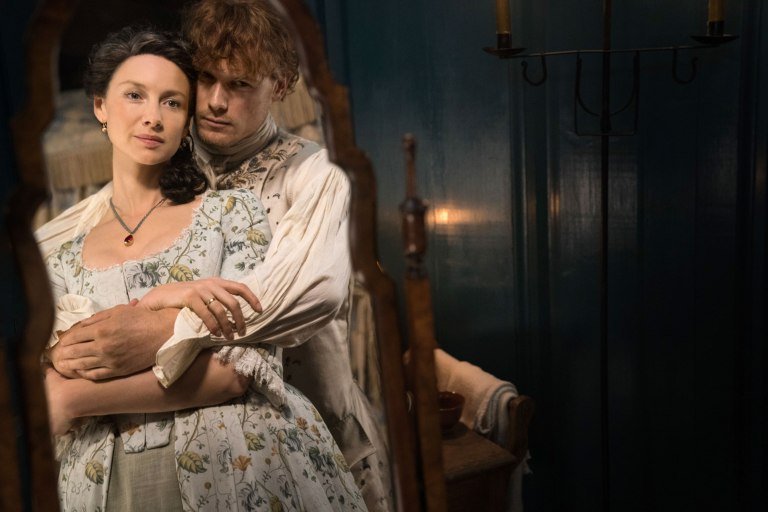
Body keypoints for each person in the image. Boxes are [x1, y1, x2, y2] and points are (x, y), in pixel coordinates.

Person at [36, 1, 393, 510]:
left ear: (281, 86)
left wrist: (159, 323)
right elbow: (45, 270)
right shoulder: (158, 168)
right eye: (204, 79)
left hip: (301, 425)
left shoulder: (315, 175)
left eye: (240, 84)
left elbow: (308, 294)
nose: (216, 102)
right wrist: (56, 349)